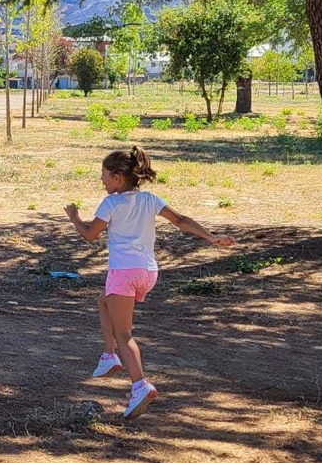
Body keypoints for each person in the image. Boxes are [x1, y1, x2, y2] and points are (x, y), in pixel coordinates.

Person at [64, 146, 234, 419]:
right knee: (103, 302)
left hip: (123, 273)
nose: (102, 180)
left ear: (118, 177)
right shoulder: (150, 200)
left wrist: (74, 218)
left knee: (124, 334)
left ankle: (140, 385)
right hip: (148, 273)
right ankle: (108, 356)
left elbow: (89, 235)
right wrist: (211, 237)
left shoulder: (111, 204)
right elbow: (181, 220)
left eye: (104, 175)